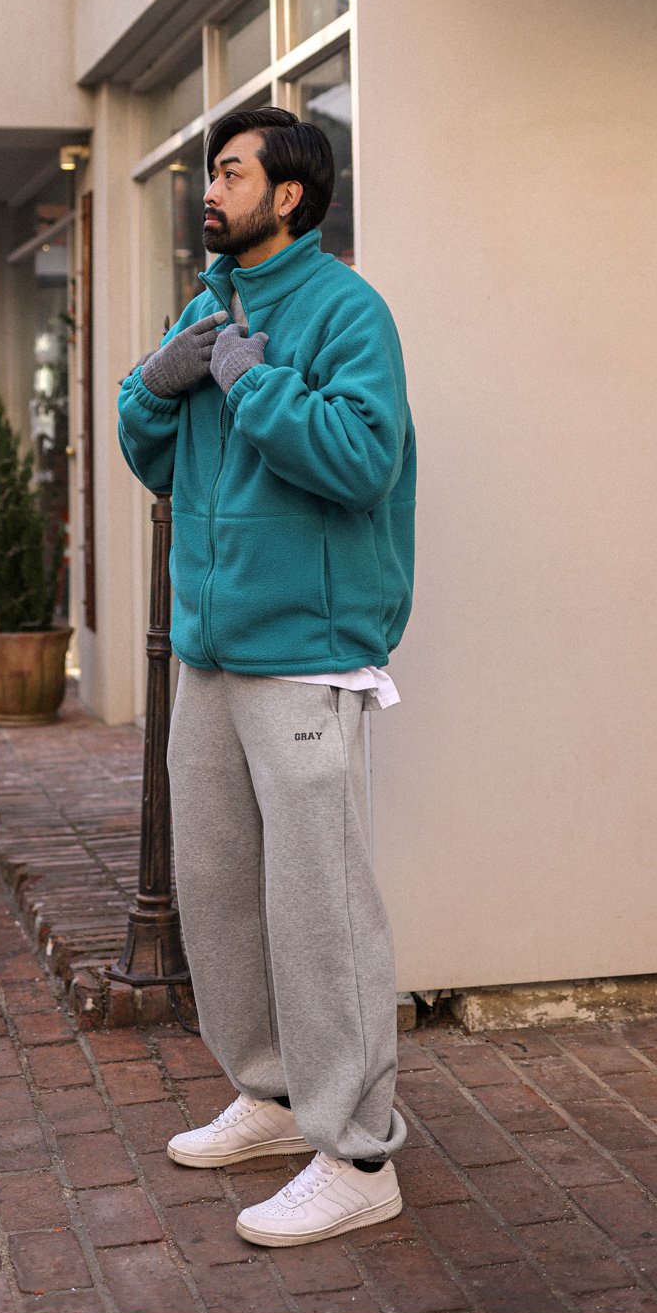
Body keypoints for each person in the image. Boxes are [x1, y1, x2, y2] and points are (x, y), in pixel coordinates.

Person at [116, 107, 415, 1254]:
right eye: (212, 170)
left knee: (319, 905)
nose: (211, 187)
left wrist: (250, 381)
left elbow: (361, 458)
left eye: (232, 172)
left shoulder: (346, 310)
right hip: (212, 647)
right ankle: (276, 1090)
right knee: (220, 888)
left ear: (289, 195)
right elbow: (151, 451)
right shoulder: (209, 304)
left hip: (307, 649)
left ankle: (359, 1153)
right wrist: (159, 380)